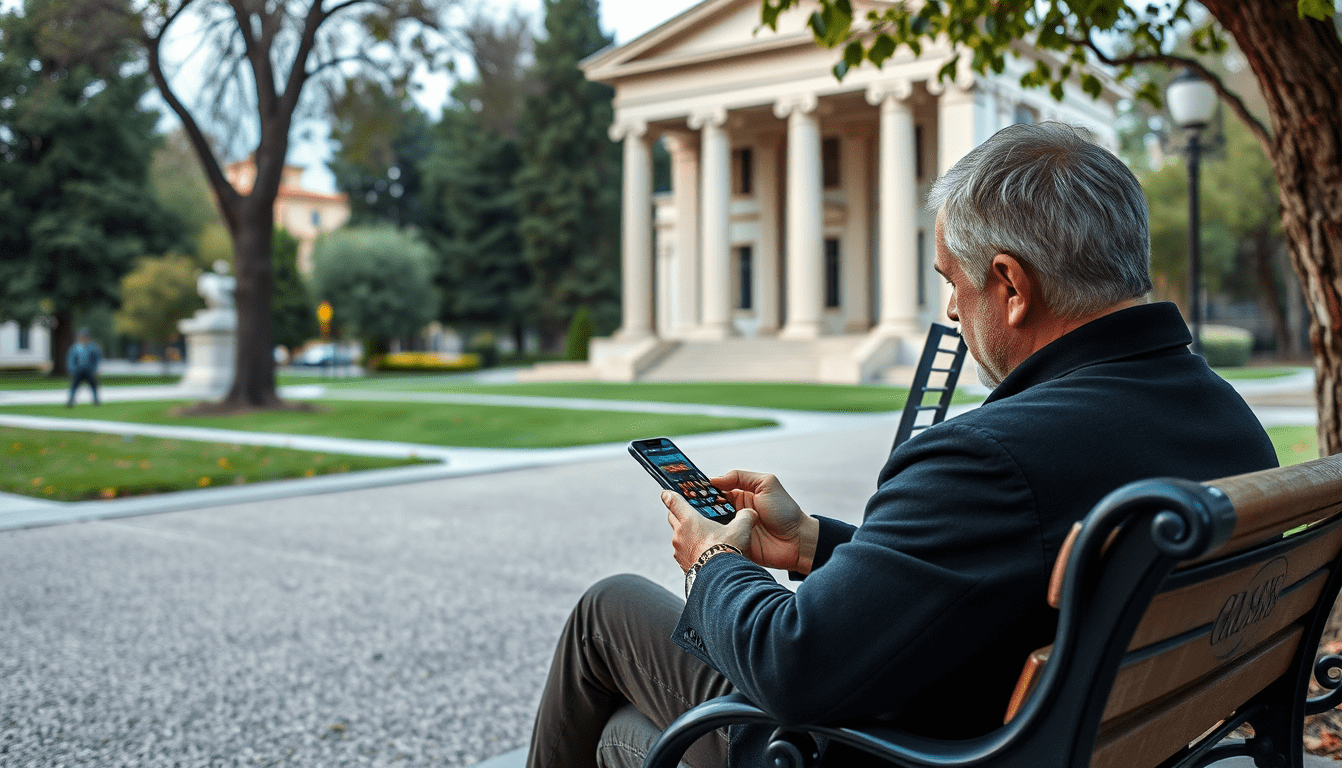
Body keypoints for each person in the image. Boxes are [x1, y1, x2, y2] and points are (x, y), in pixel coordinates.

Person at [525, 123, 1279, 768]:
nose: (950, 309)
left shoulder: (989, 457)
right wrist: (814, 543)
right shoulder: (1224, 419)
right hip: (1087, 737)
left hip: (892, 750)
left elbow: (793, 667)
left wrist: (713, 560)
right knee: (625, 720)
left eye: (953, 280)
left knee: (607, 616)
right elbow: (984, 569)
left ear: (1012, 286)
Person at [66, 328, 102, 407]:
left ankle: (96, 399)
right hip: (78, 370)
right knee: (74, 385)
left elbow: (97, 359)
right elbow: (71, 359)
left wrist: (95, 369)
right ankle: (71, 399)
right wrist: (71, 369)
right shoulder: (75, 347)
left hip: (89, 369)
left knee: (93, 385)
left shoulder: (93, 347)